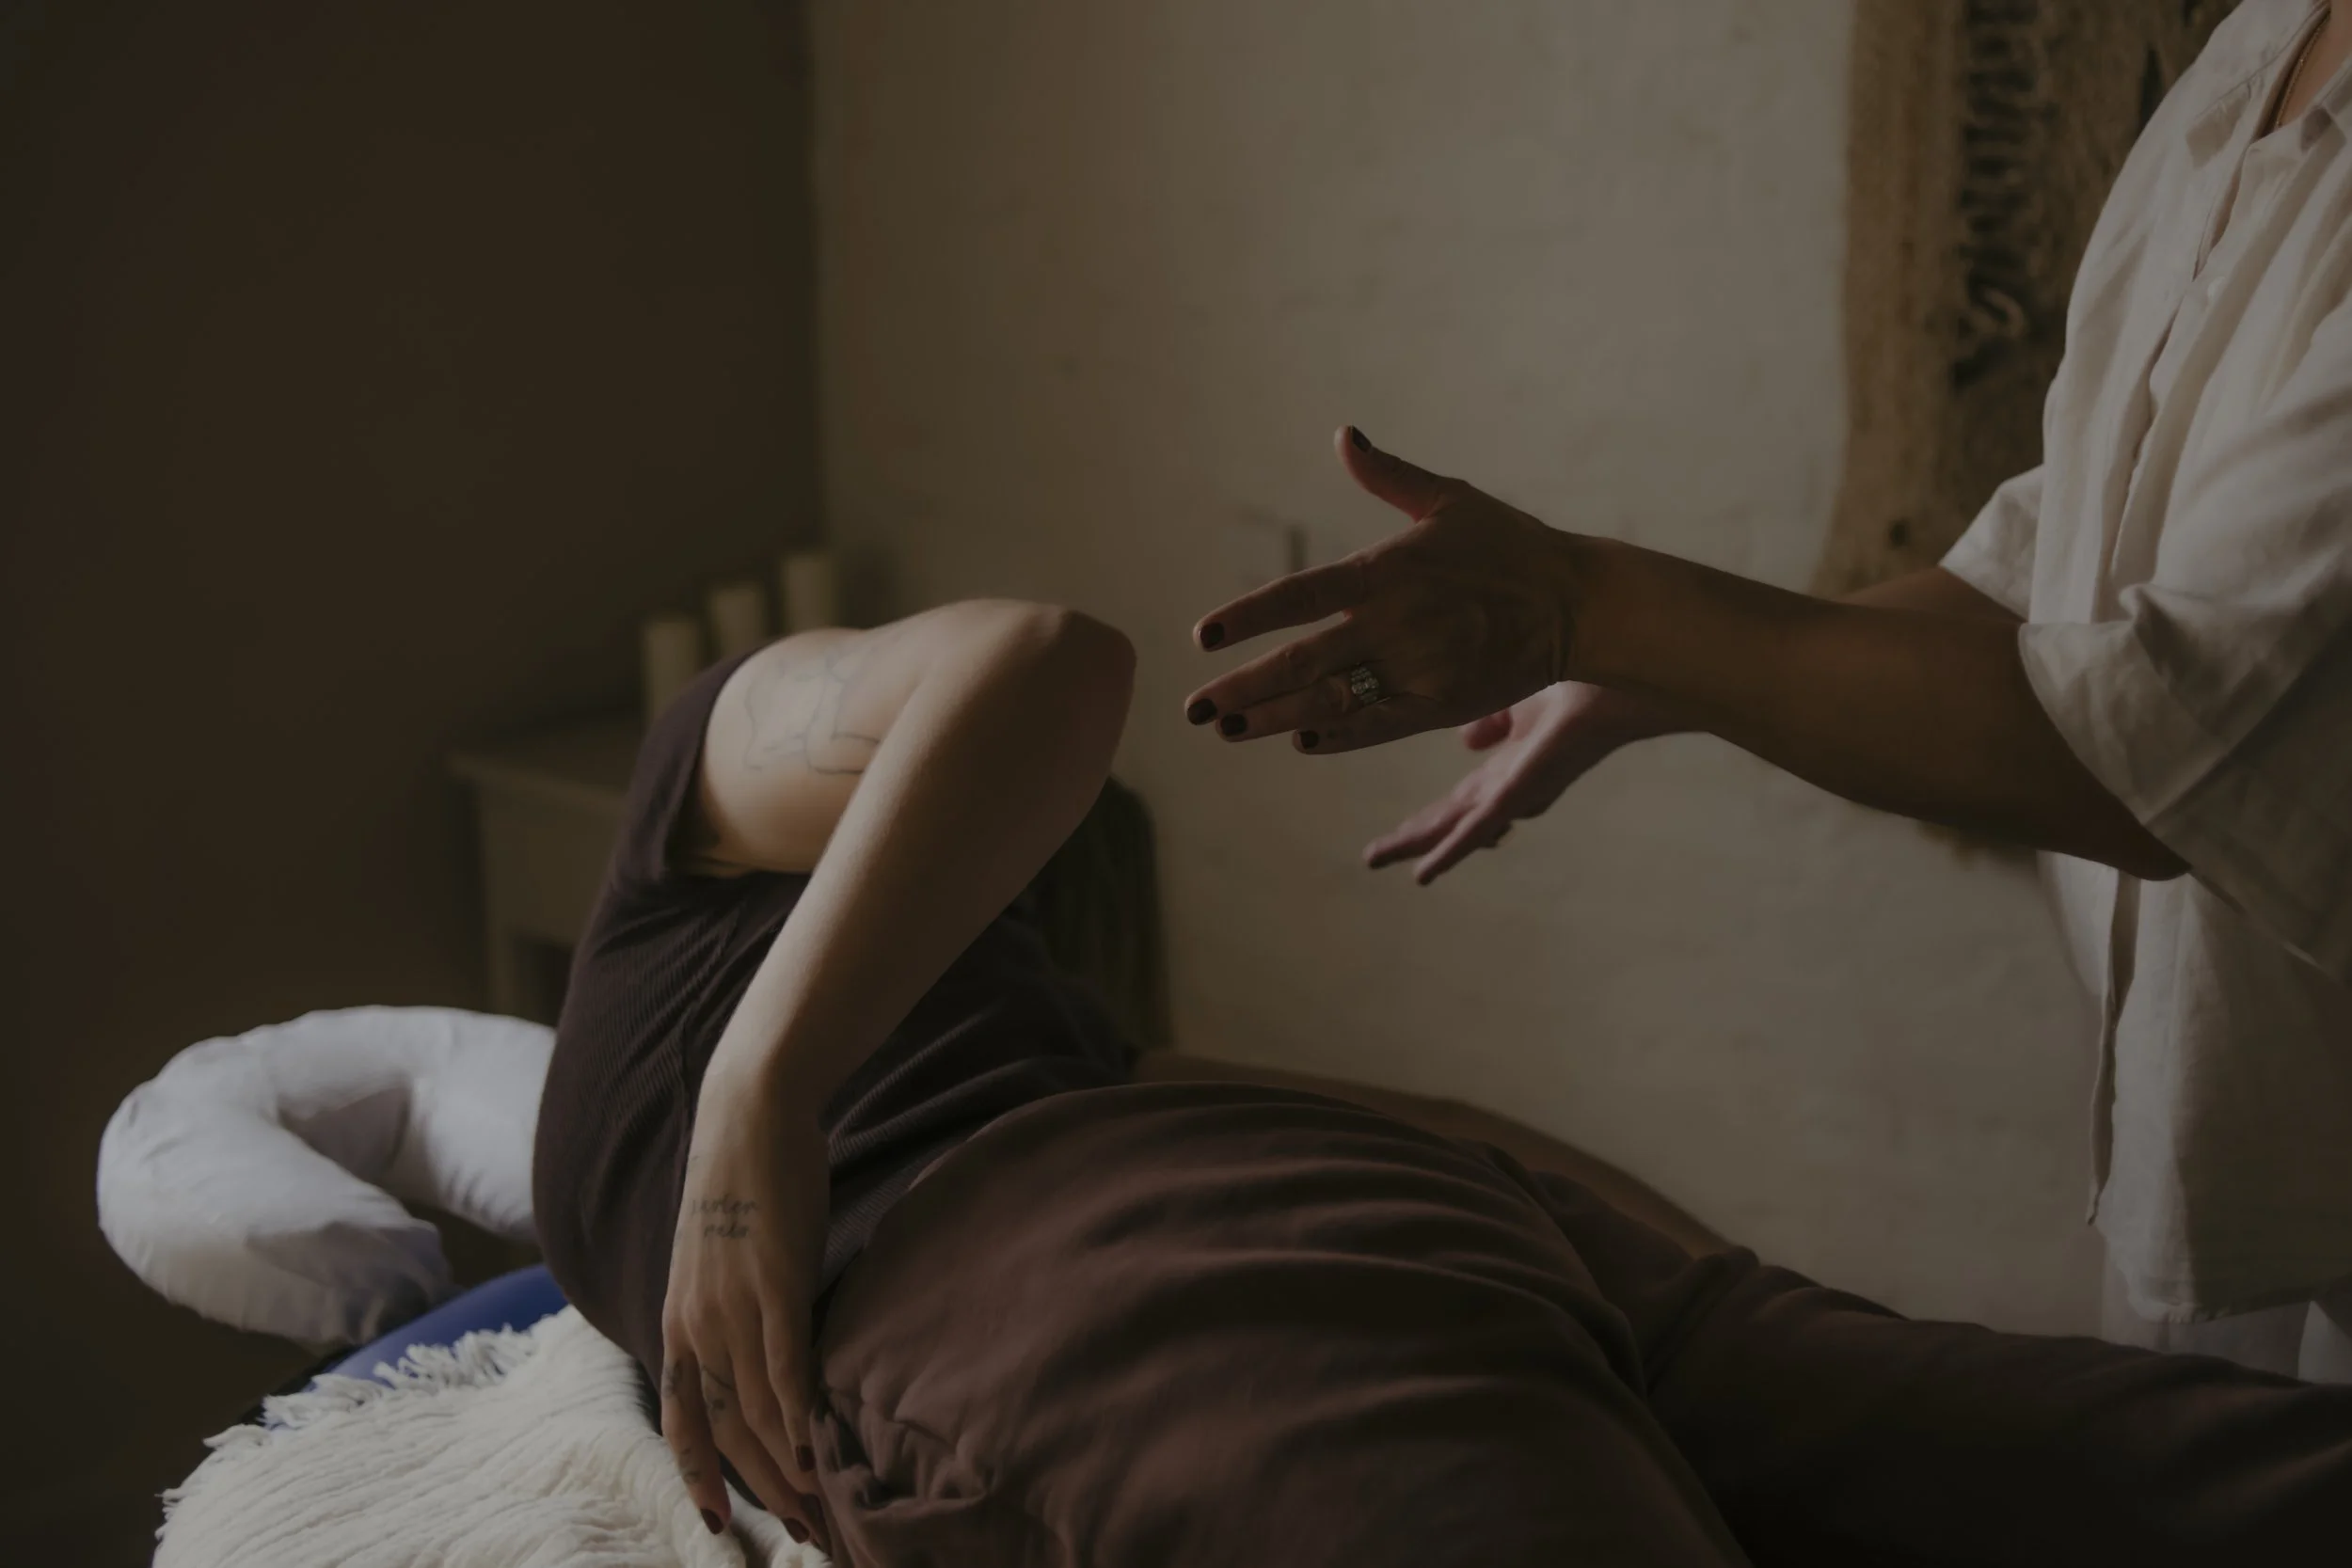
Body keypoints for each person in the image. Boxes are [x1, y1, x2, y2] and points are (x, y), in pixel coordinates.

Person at [533, 600, 2352, 1567]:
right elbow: (1391, 1133)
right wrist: (1677, 1287)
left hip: (1166, 1263)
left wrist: (756, 1094)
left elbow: (1043, 663)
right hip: (1333, 1226)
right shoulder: (983, 1036)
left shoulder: (700, 827)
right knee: (2163, 1486)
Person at [1185, 0, 2352, 1382]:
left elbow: (2156, 736)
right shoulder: (2263, 41)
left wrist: (1591, 609)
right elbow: (2065, 552)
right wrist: (1636, 672)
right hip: (2233, 1152)